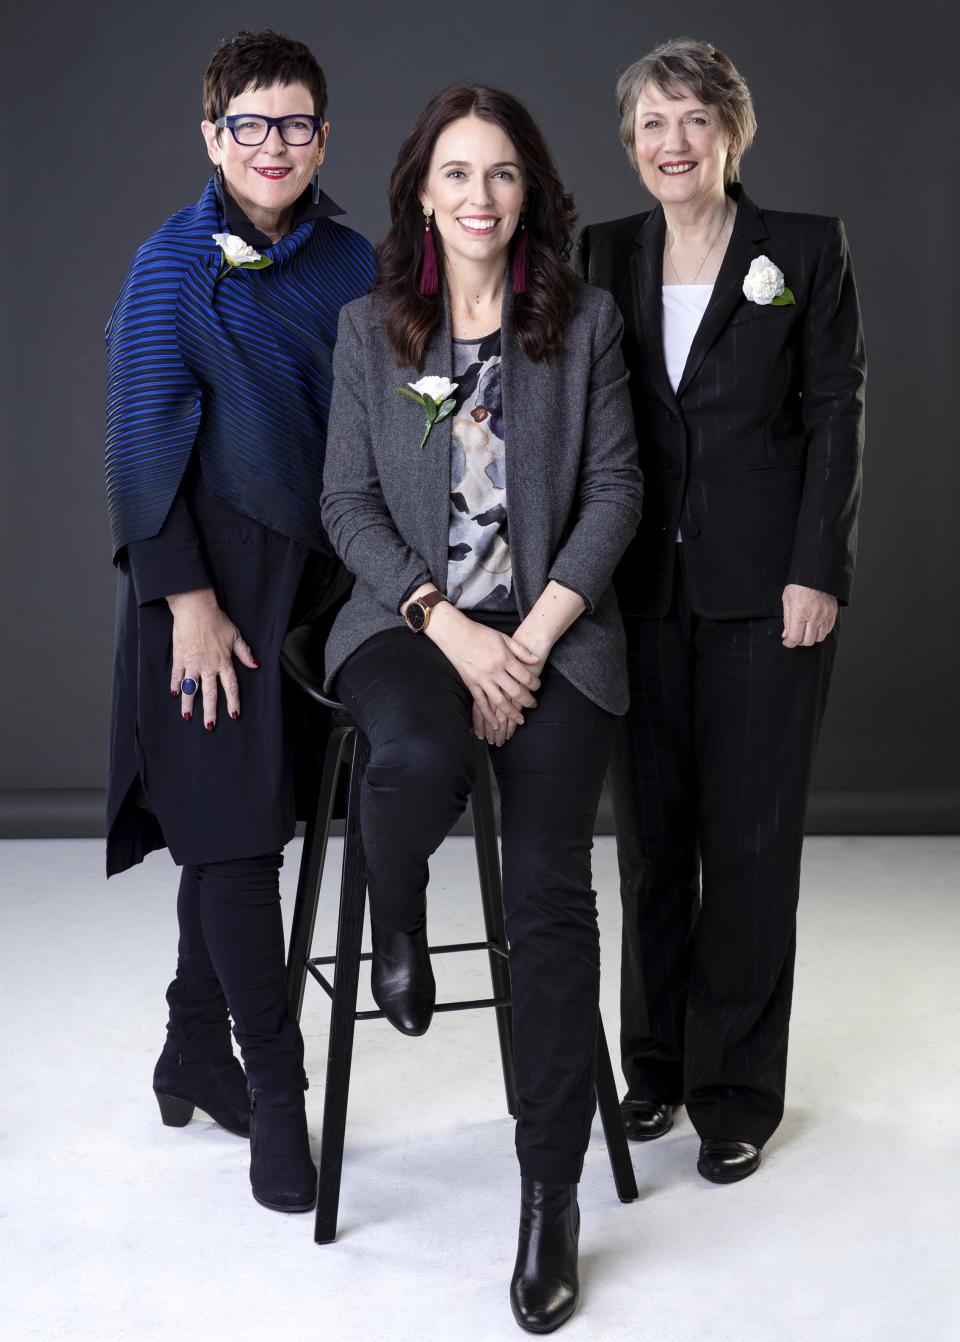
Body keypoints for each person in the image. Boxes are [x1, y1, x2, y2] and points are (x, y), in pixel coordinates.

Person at [321, 85, 641, 1333]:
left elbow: (614, 493)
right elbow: (346, 504)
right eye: (455, 173)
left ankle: (548, 1194)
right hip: (412, 625)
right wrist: (451, 631)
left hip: (557, 634)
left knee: (552, 887)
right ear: (421, 192)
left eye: (501, 174)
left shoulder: (586, 323)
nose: (478, 198)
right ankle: (392, 913)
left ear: (529, 191)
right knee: (408, 759)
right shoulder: (369, 331)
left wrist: (532, 642)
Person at [575, 37, 865, 1184]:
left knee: (748, 847)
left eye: (694, 119)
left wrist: (819, 567)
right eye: (652, 124)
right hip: (633, 590)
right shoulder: (602, 252)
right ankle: (654, 1070)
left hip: (767, 591)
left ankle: (738, 1089)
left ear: (732, 132)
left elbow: (838, 411)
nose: (673, 143)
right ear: (632, 144)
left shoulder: (801, 248)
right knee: (650, 845)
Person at [104, 29, 375, 1213]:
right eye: (251, 125)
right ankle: (275, 1091)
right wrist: (190, 609)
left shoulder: (355, 260)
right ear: (212, 134)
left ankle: (189, 1046)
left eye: (298, 124)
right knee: (234, 841)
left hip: (322, 586)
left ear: (325, 135)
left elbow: (385, 411)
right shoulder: (170, 265)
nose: (275, 146)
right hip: (209, 588)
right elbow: (138, 444)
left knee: (245, 825)